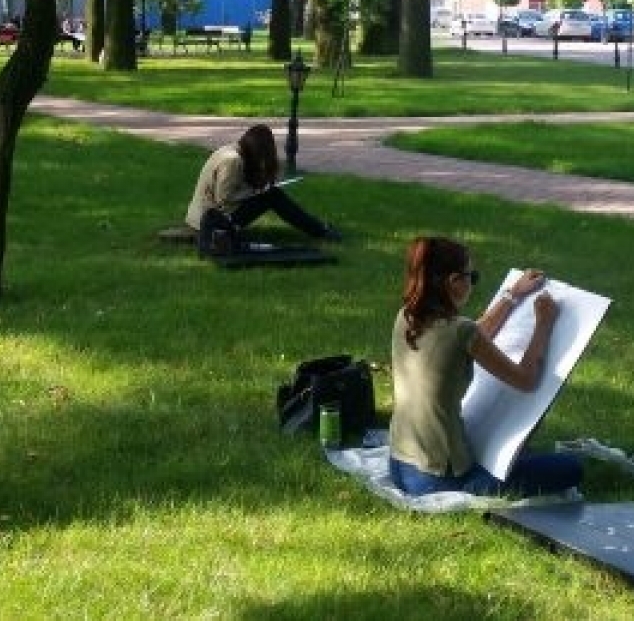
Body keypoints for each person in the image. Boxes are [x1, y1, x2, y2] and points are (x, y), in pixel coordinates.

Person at [388, 236, 583, 498]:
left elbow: (479, 332)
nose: (473, 283)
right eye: (472, 277)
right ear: (454, 282)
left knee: (522, 458)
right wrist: (544, 325)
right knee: (570, 468)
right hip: (439, 479)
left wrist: (513, 294)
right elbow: (526, 379)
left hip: (399, 465)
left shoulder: (407, 316)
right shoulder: (460, 331)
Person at [184, 124, 340, 248]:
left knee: (271, 194)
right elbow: (224, 197)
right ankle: (320, 230)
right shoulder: (233, 160)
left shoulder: (230, 150)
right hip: (211, 223)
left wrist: (256, 187)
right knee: (274, 196)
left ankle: (318, 228)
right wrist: (255, 191)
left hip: (202, 218)